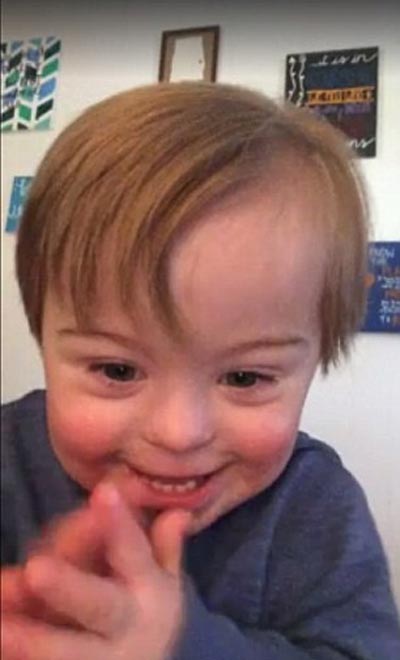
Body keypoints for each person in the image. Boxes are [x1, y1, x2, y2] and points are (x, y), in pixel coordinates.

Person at [1, 81, 400, 660]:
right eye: (117, 370)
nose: (179, 433)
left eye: (244, 378)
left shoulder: (316, 508)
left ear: (318, 355)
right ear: (41, 334)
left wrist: (181, 645)